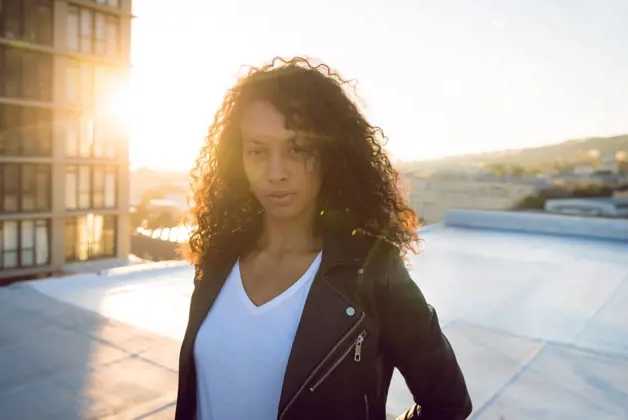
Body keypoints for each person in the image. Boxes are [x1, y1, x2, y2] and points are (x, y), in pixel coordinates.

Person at [175, 57, 472, 420]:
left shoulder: (372, 272)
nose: (276, 172)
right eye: (257, 151)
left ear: (330, 154)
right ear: (238, 160)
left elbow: (449, 403)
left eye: (298, 149)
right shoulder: (218, 260)